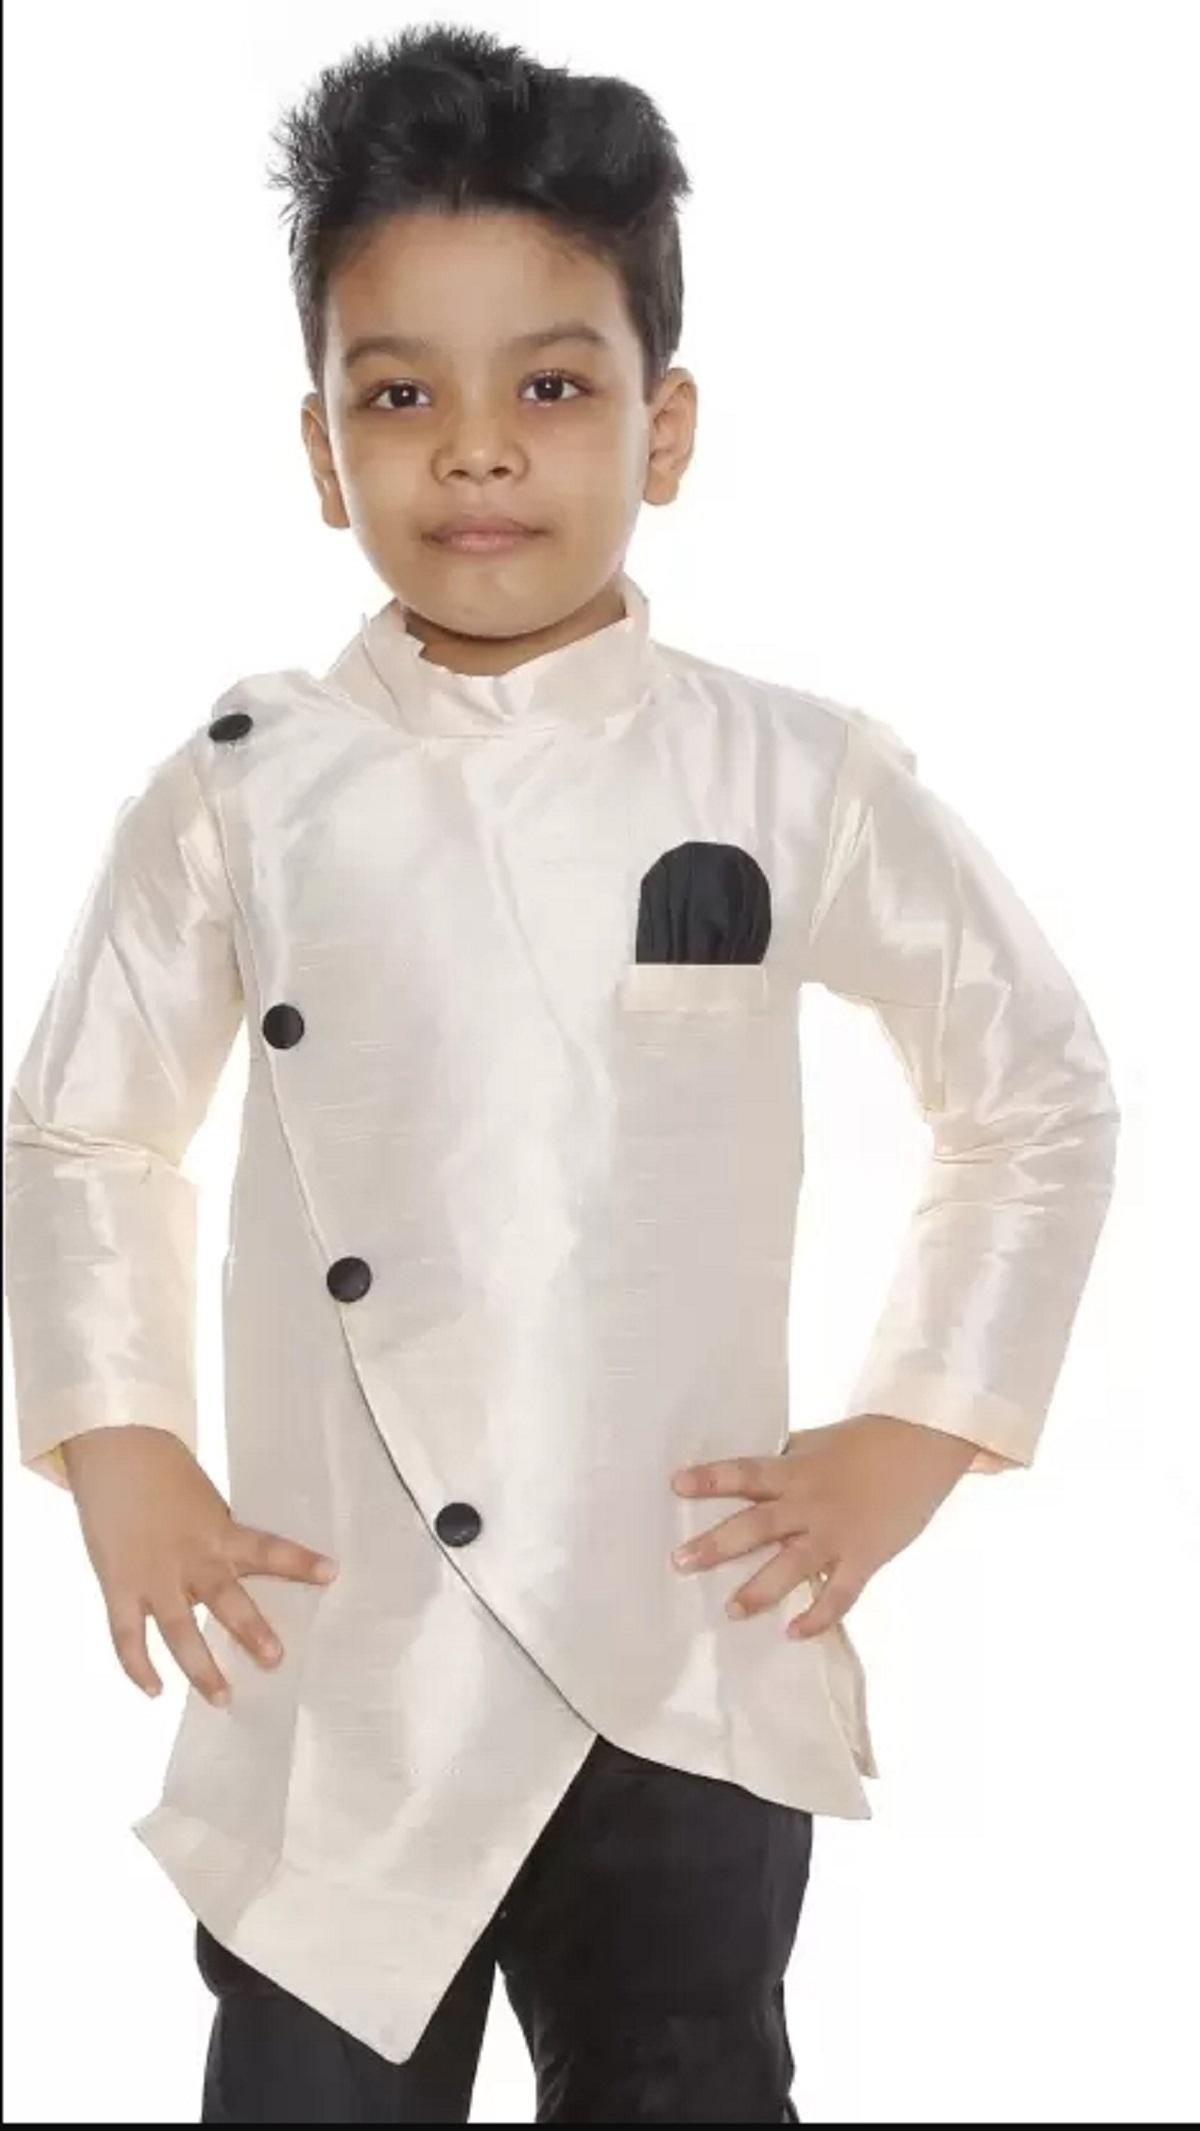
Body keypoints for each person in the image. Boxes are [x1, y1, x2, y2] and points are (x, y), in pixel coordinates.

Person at [3, 21, 1121, 2125]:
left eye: (550, 387)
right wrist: (120, 1437)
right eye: (399, 396)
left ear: (661, 424)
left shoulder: (789, 776)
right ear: (321, 451)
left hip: (680, 1649)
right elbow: (81, 1128)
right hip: (347, 1665)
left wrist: (918, 1425)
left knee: (688, 2078)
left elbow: (1038, 1090)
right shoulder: (238, 791)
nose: (476, 454)